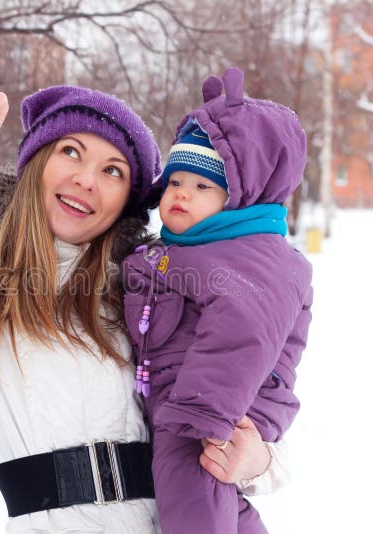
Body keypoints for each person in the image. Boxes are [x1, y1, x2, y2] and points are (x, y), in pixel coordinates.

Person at [0, 37, 290, 533]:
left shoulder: (150, 297)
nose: (85, 179)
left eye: (112, 170)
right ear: (36, 164)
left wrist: (261, 464)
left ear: (128, 200)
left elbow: (236, 398)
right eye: (70, 152)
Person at [121, 67, 314, 534]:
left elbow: (244, 326)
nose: (182, 194)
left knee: (191, 492)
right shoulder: (186, 250)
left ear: (241, 198)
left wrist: (202, 409)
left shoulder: (253, 256)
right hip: (193, 402)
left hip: (217, 407)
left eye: (203, 187)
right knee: (207, 498)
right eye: (175, 182)